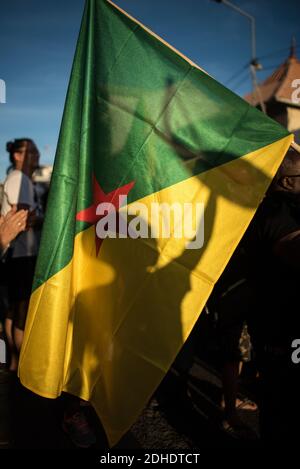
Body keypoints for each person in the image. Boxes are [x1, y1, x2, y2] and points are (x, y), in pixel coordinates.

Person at [244, 145, 300, 442]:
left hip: (277, 328)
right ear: (287, 181)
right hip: (282, 335)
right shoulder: (278, 212)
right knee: (284, 410)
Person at [1, 138, 43, 371]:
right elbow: (24, 219)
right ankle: (23, 366)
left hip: (14, 254)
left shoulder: (18, 179)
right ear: (17, 156)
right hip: (22, 254)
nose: (36, 156)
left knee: (13, 310)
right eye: (32, 152)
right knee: (22, 313)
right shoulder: (20, 179)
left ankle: (14, 363)